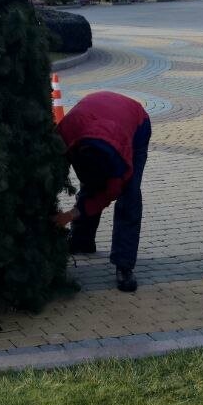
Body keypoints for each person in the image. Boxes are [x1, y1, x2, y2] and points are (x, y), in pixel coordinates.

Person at [53, 91, 151, 292]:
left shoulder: (120, 167)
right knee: (90, 185)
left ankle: (124, 266)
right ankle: (82, 240)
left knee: (129, 197)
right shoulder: (65, 132)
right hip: (95, 114)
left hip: (137, 126)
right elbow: (53, 165)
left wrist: (69, 215)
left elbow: (104, 197)